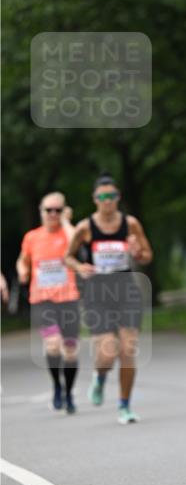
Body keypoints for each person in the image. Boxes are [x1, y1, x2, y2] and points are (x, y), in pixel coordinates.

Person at [65, 175, 153, 425]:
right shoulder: (85, 228)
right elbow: (67, 257)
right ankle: (100, 376)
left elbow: (147, 254)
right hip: (98, 292)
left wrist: (138, 252)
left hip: (126, 288)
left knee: (127, 350)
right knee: (107, 353)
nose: (107, 201)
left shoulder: (131, 224)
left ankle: (124, 405)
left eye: (111, 196)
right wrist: (79, 267)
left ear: (118, 198)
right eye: (102, 197)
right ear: (95, 200)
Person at [16, 193, 80, 414]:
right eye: (48, 210)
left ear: (64, 212)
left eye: (58, 210)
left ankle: (69, 393)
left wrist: (66, 222)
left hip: (69, 299)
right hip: (43, 301)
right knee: (53, 344)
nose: (53, 214)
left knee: (70, 350)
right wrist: (23, 271)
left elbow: (77, 243)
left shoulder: (68, 233)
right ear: (41, 212)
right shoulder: (32, 237)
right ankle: (56, 386)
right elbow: (22, 260)